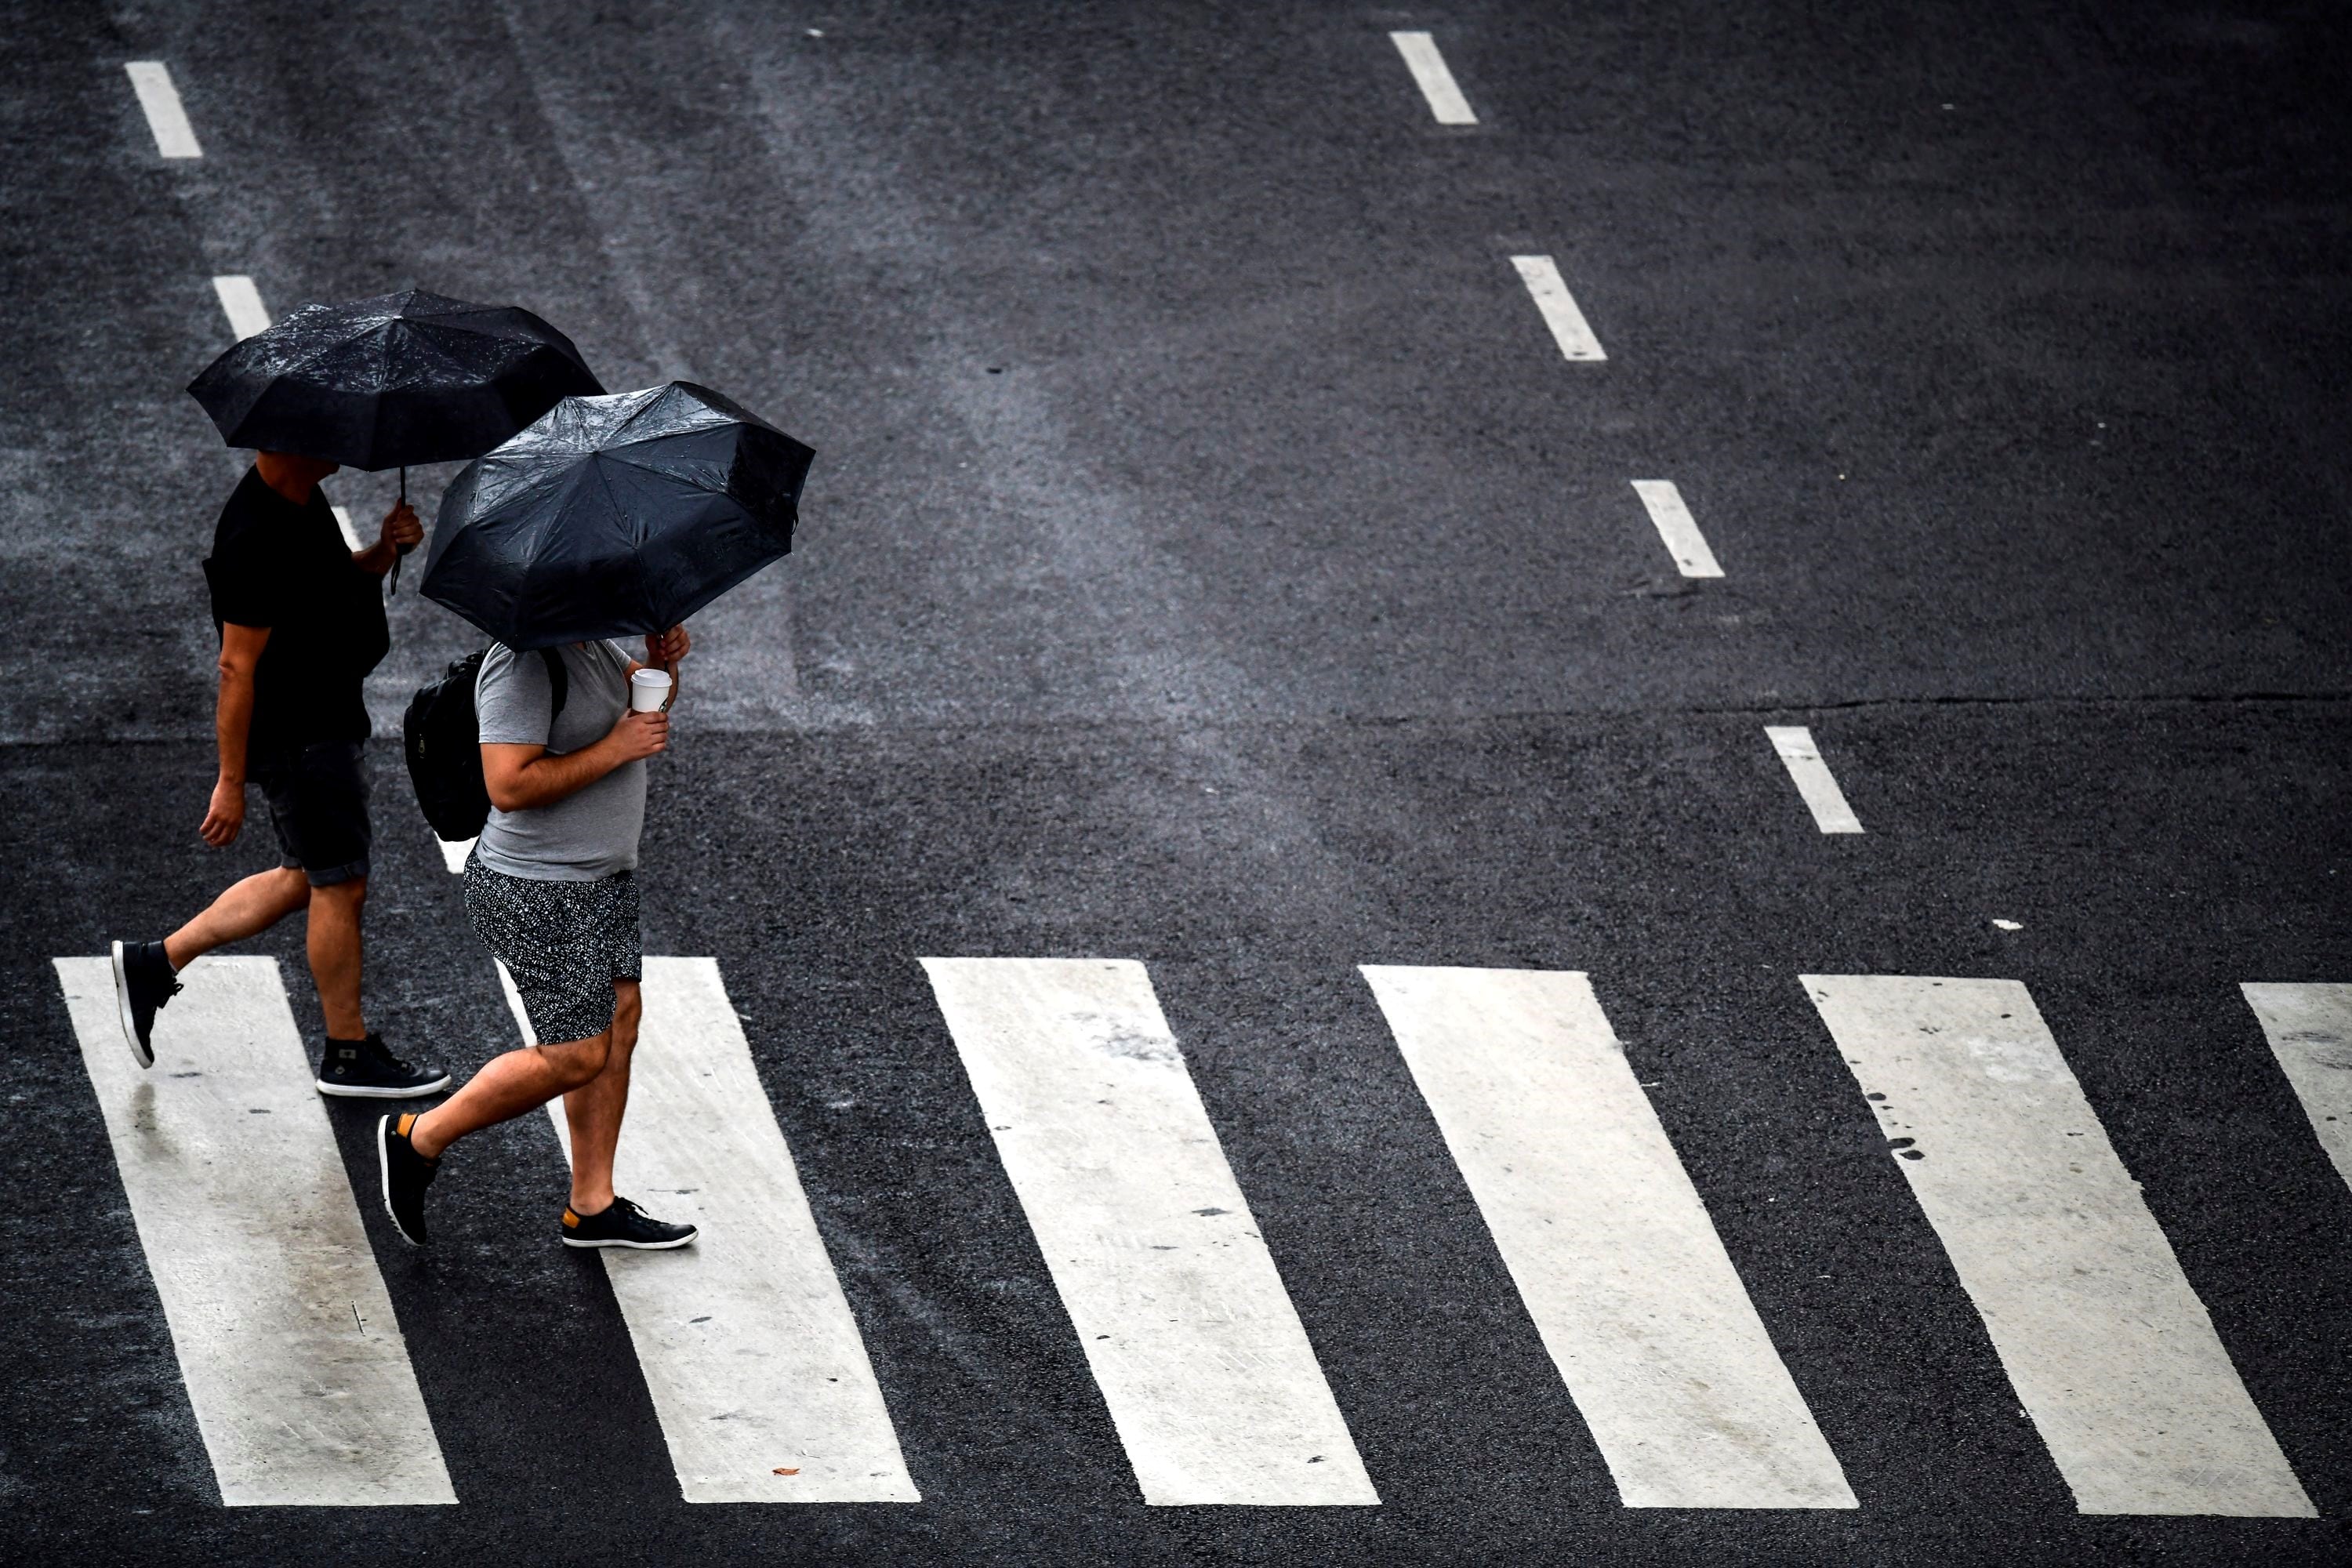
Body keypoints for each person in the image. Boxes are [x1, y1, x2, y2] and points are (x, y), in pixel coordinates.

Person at [109, 451, 448, 1098]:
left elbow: (331, 582)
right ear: (287, 444)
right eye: (323, 433)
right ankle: (347, 1051)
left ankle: (155, 963)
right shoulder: (253, 536)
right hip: (302, 739)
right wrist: (230, 781)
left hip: (323, 722)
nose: (341, 444)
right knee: (340, 884)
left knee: (305, 880)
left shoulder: (300, 501)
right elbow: (236, 667)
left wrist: (382, 550)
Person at [376, 625, 698, 1250]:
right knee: (576, 1054)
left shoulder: (591, 643)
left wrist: (662, 665)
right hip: (539, 887)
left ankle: (592, 1204)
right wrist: (616, 749)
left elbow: (647, 708)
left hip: (600, 877)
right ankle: (417, 1138)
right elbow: (509, 784)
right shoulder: (522, 664)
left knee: (620, 1019)